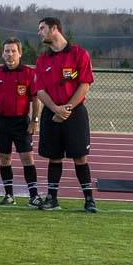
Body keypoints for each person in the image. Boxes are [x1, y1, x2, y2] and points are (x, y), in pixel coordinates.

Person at [32, 17, 98, 213]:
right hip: (52, 114)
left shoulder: (79, 54)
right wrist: (56, 109)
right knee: (54, 158)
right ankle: (52, 198)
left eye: (42, 28)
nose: (39, 33)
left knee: (80, 157)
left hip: (74, 114)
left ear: (55, 29)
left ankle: (89, 200)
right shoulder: (43, 59)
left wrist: (66, 109)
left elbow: (84, 85)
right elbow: (40, 90)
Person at [0, 38, 41, 206]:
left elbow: (36, 99)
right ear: (2, 54)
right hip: (1, 122)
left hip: (21, 122)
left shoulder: (28, 73)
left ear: (20, 53)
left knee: (27, 158)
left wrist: (35, 120)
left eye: (13, 51)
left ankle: (34, 196)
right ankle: (9, 195)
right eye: (7, 51)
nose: (10, 54)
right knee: (5, 158)